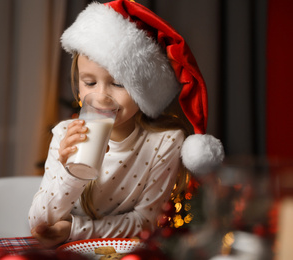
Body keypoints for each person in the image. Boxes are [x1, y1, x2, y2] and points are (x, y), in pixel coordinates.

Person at [28, 0, 224, 248]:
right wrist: (69, 174)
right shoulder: (65, 135)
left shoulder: (163, 143)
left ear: (143, 92)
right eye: (89, 82)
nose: (101, 96)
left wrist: (75, 230)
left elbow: (147, 221)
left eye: (118, 84)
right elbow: (39, 221)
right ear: (78, 90)